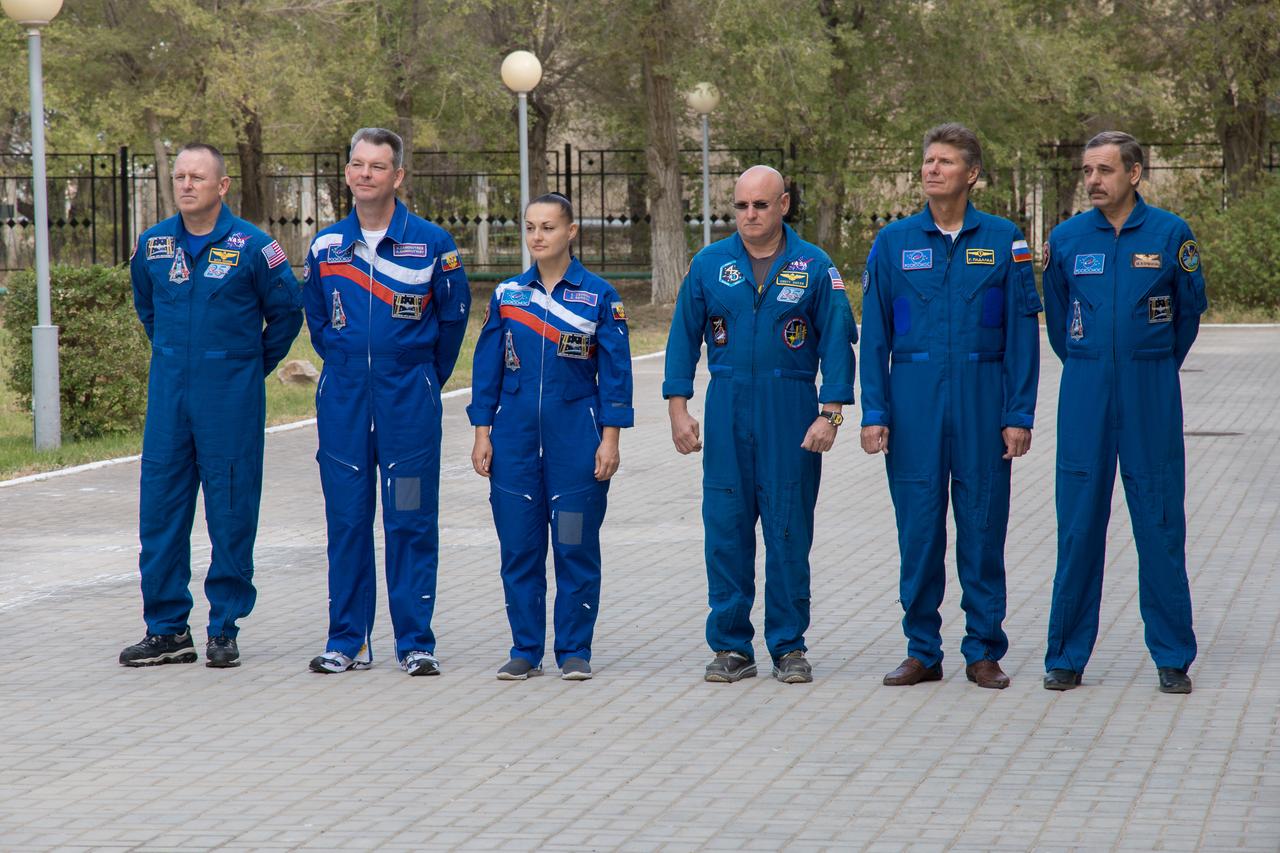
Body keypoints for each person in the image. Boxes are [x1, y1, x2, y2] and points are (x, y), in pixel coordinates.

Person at [859, 123, 1042, 690]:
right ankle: (922, 650)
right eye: (928, 161)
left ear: (972, 174)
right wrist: (874, 412)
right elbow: (875, 339)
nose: (932, 169)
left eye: (945, 161)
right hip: (913, 401)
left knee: (983, 528)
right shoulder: (893, 243)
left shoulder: (1006, 239)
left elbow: (1022, 336)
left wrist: (1019, 413)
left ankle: (984, 650)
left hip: (983, 399)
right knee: (918, 531)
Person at [664, 165, 857, 685]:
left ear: (784, 205)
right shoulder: (709, 264)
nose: (750, 215)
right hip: (727, 405)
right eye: (742, 206)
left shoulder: (814, 267)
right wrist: (678, 408)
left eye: (761, 205)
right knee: (725, 530)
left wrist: (831, 413)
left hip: (790, 408)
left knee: (789, 531)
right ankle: (731, 647)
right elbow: (683, 338)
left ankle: (788, 646)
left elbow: (838, 341)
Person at [121, 142, 303, 668]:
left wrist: (245, 366)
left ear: (222, 186)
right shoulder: (153, 245)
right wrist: (179, 357)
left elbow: (286, 314)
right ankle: (167, 630)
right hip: (170, 397)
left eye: (197, 177)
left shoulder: (254, 247)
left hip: (230, 398)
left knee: (230, 512)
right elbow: (146, 306)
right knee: (160, 513)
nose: (186, 185)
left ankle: (224, 627)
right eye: (179, 177)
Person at [1042, 131, 1207, 694]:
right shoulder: (1065, 240)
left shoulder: (1169, 234)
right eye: (1087, 170)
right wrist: (1092, 363)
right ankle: (1065, 656)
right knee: (1079, 525)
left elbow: (1187, 315)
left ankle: (1171, 655)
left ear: (1134, 174)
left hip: (1149, 389)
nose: (1093, 180)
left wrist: (1150, 363)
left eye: (1104, 170)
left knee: (1159, 522)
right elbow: (1061, 319)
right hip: (1085, 391)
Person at [302, 128, 471, 676]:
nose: (365, 174)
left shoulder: (432, 244)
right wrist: (349, 364)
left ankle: (415, 642)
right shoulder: (327, 247)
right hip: (345, 399)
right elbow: (319, 322)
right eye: (357, 164)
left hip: (408, 401)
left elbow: (452, 321)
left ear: (398, 176)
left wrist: (421, 376)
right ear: (347, 172)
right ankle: (348, 640)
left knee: (411, 517)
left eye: (378, 166)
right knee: (347, 519)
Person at [467, 193, 633, 681]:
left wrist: (610, 440)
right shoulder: (508, 296)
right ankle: (525, 649)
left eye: (548, 227)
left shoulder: (599, 297)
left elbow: (616, 375)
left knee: (574, 546)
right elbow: (487, 369)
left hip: (576, 444)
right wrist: (483, 433)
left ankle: (574, 650)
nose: (537, 236)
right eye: (530, 227)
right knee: (519, 548)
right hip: (514, 442)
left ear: (571, 231)